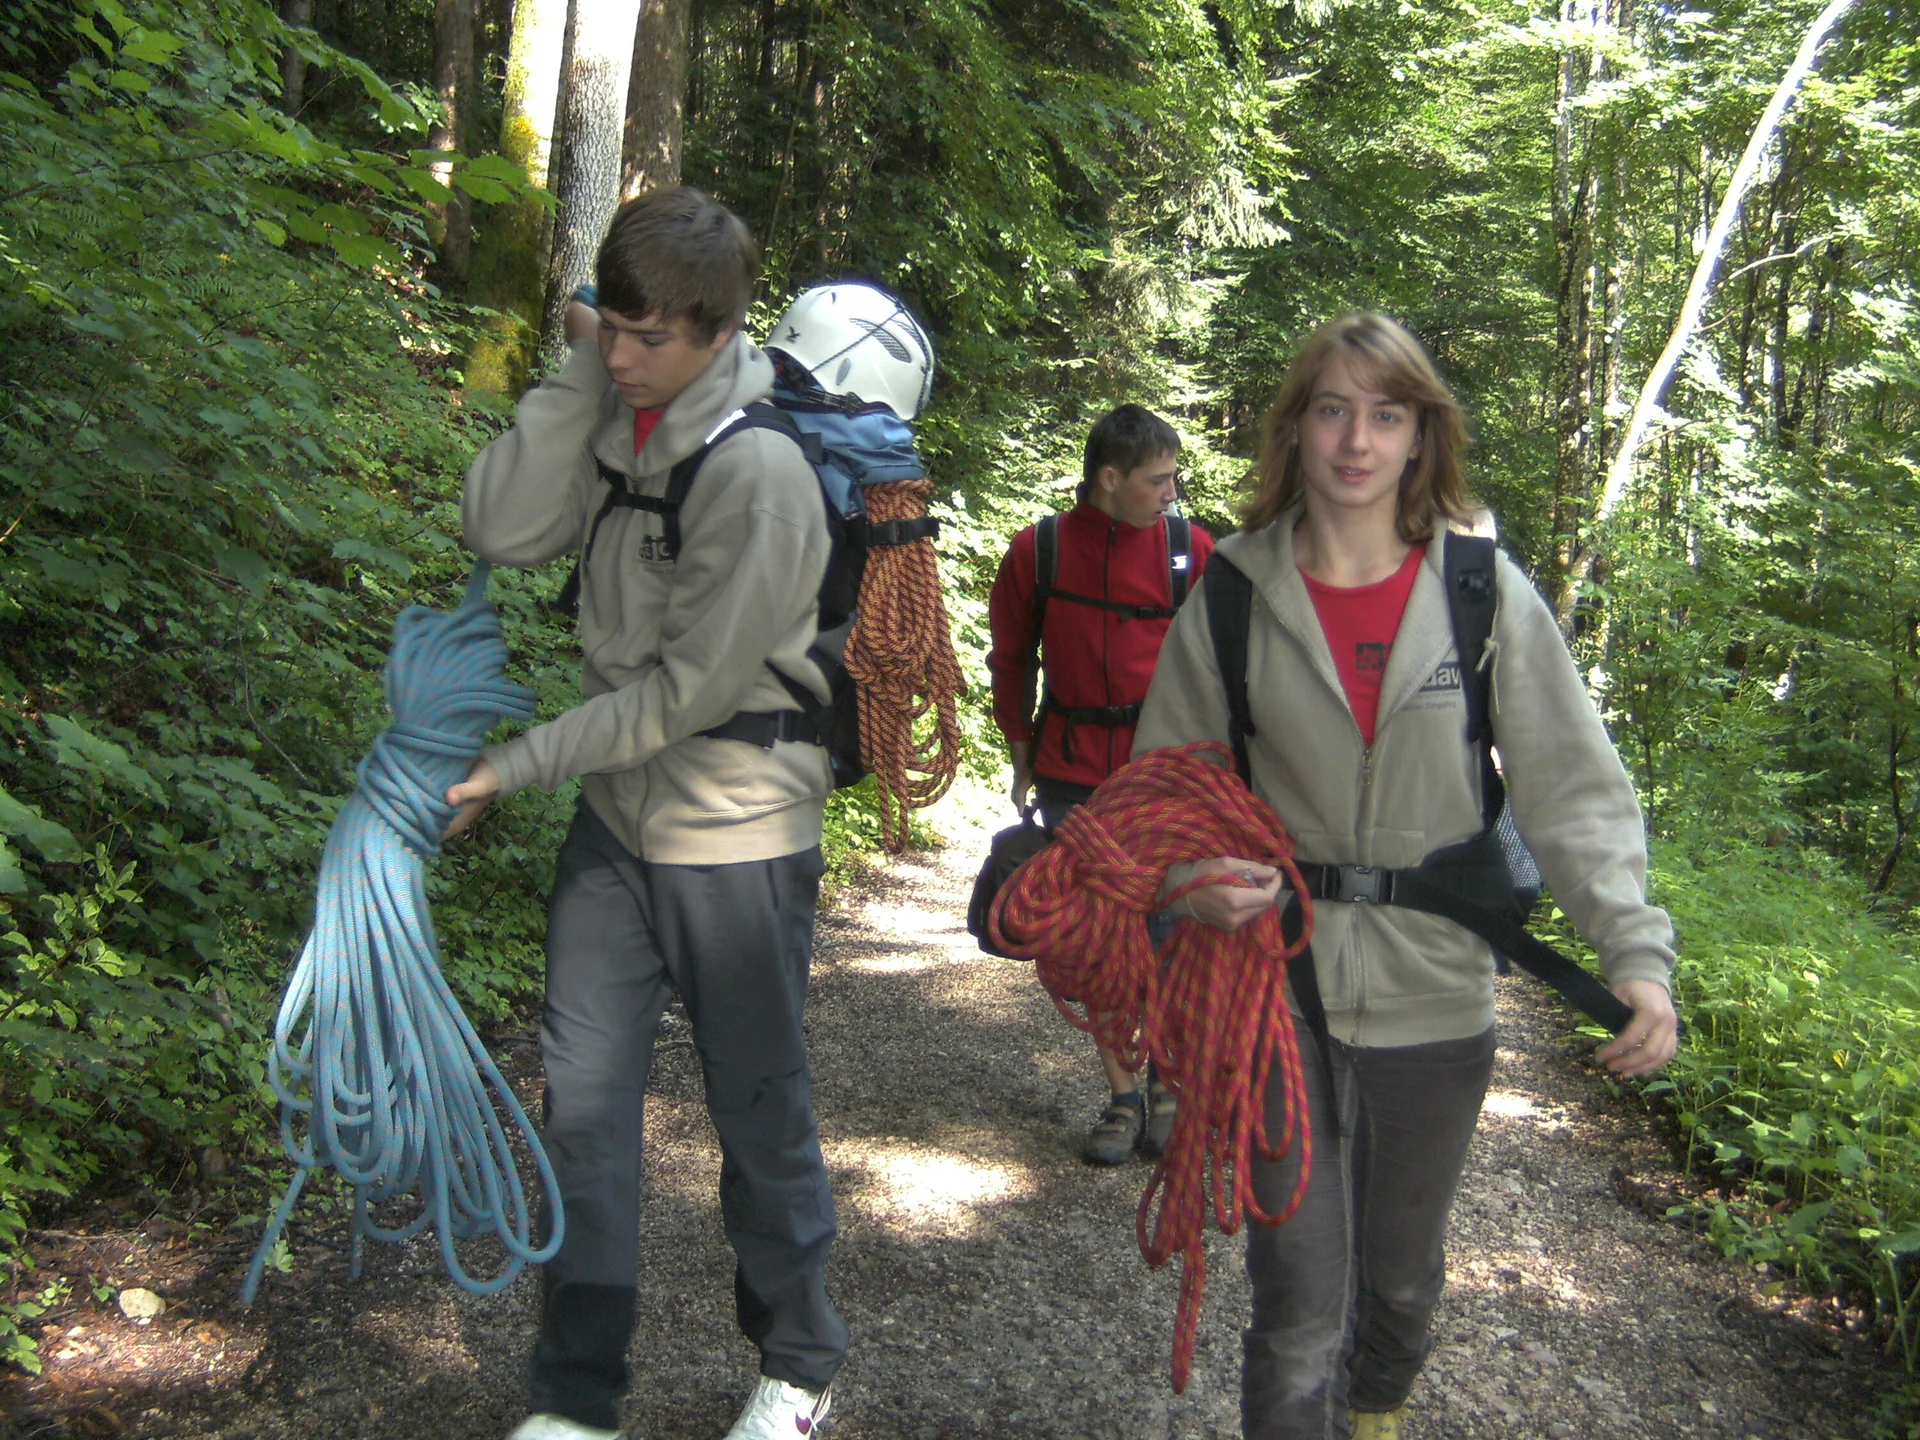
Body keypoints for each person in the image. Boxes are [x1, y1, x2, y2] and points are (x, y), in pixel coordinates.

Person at [1131, 312, 1677, 1440]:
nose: (1357, 441)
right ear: (1296, 431)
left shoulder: (1481, 592)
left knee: (1401, 1291)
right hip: (1274, 992)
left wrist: (1634, 953)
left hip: (1438, 994)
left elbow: (1571, 788)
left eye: (1387, 415)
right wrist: (1190, 876)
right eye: (1332, 409)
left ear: (1424, 437)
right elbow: (1160, 793)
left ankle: (1376, 1413)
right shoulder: (1231, 593)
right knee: (1295, 1311)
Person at [447, 187, 846, 1440]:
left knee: (756, 1102)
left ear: (721, 331)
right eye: (610, 326)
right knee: (585, 1103)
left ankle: (799, 1366)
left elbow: (685, 697)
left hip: (737, 830)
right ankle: (575, 1399)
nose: (622, 355)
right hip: (618, 829)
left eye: (647, 338)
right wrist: (580, 372)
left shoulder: (761, 473)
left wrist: (509, 768)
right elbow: (501, 527)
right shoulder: (619, 414)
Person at [986, 404, 1215, 1164]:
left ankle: (1169, 1085)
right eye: (1158, 480)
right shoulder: (1039, 552)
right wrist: (1019, 743)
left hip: (1169, 778)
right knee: (1102, 940)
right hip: (1074, 771)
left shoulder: (1194, 552)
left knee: (1175, 931)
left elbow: (1234, 673)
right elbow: (1011, 657)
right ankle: (1122, 1096)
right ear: (1108, 480)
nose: (1171, 493)